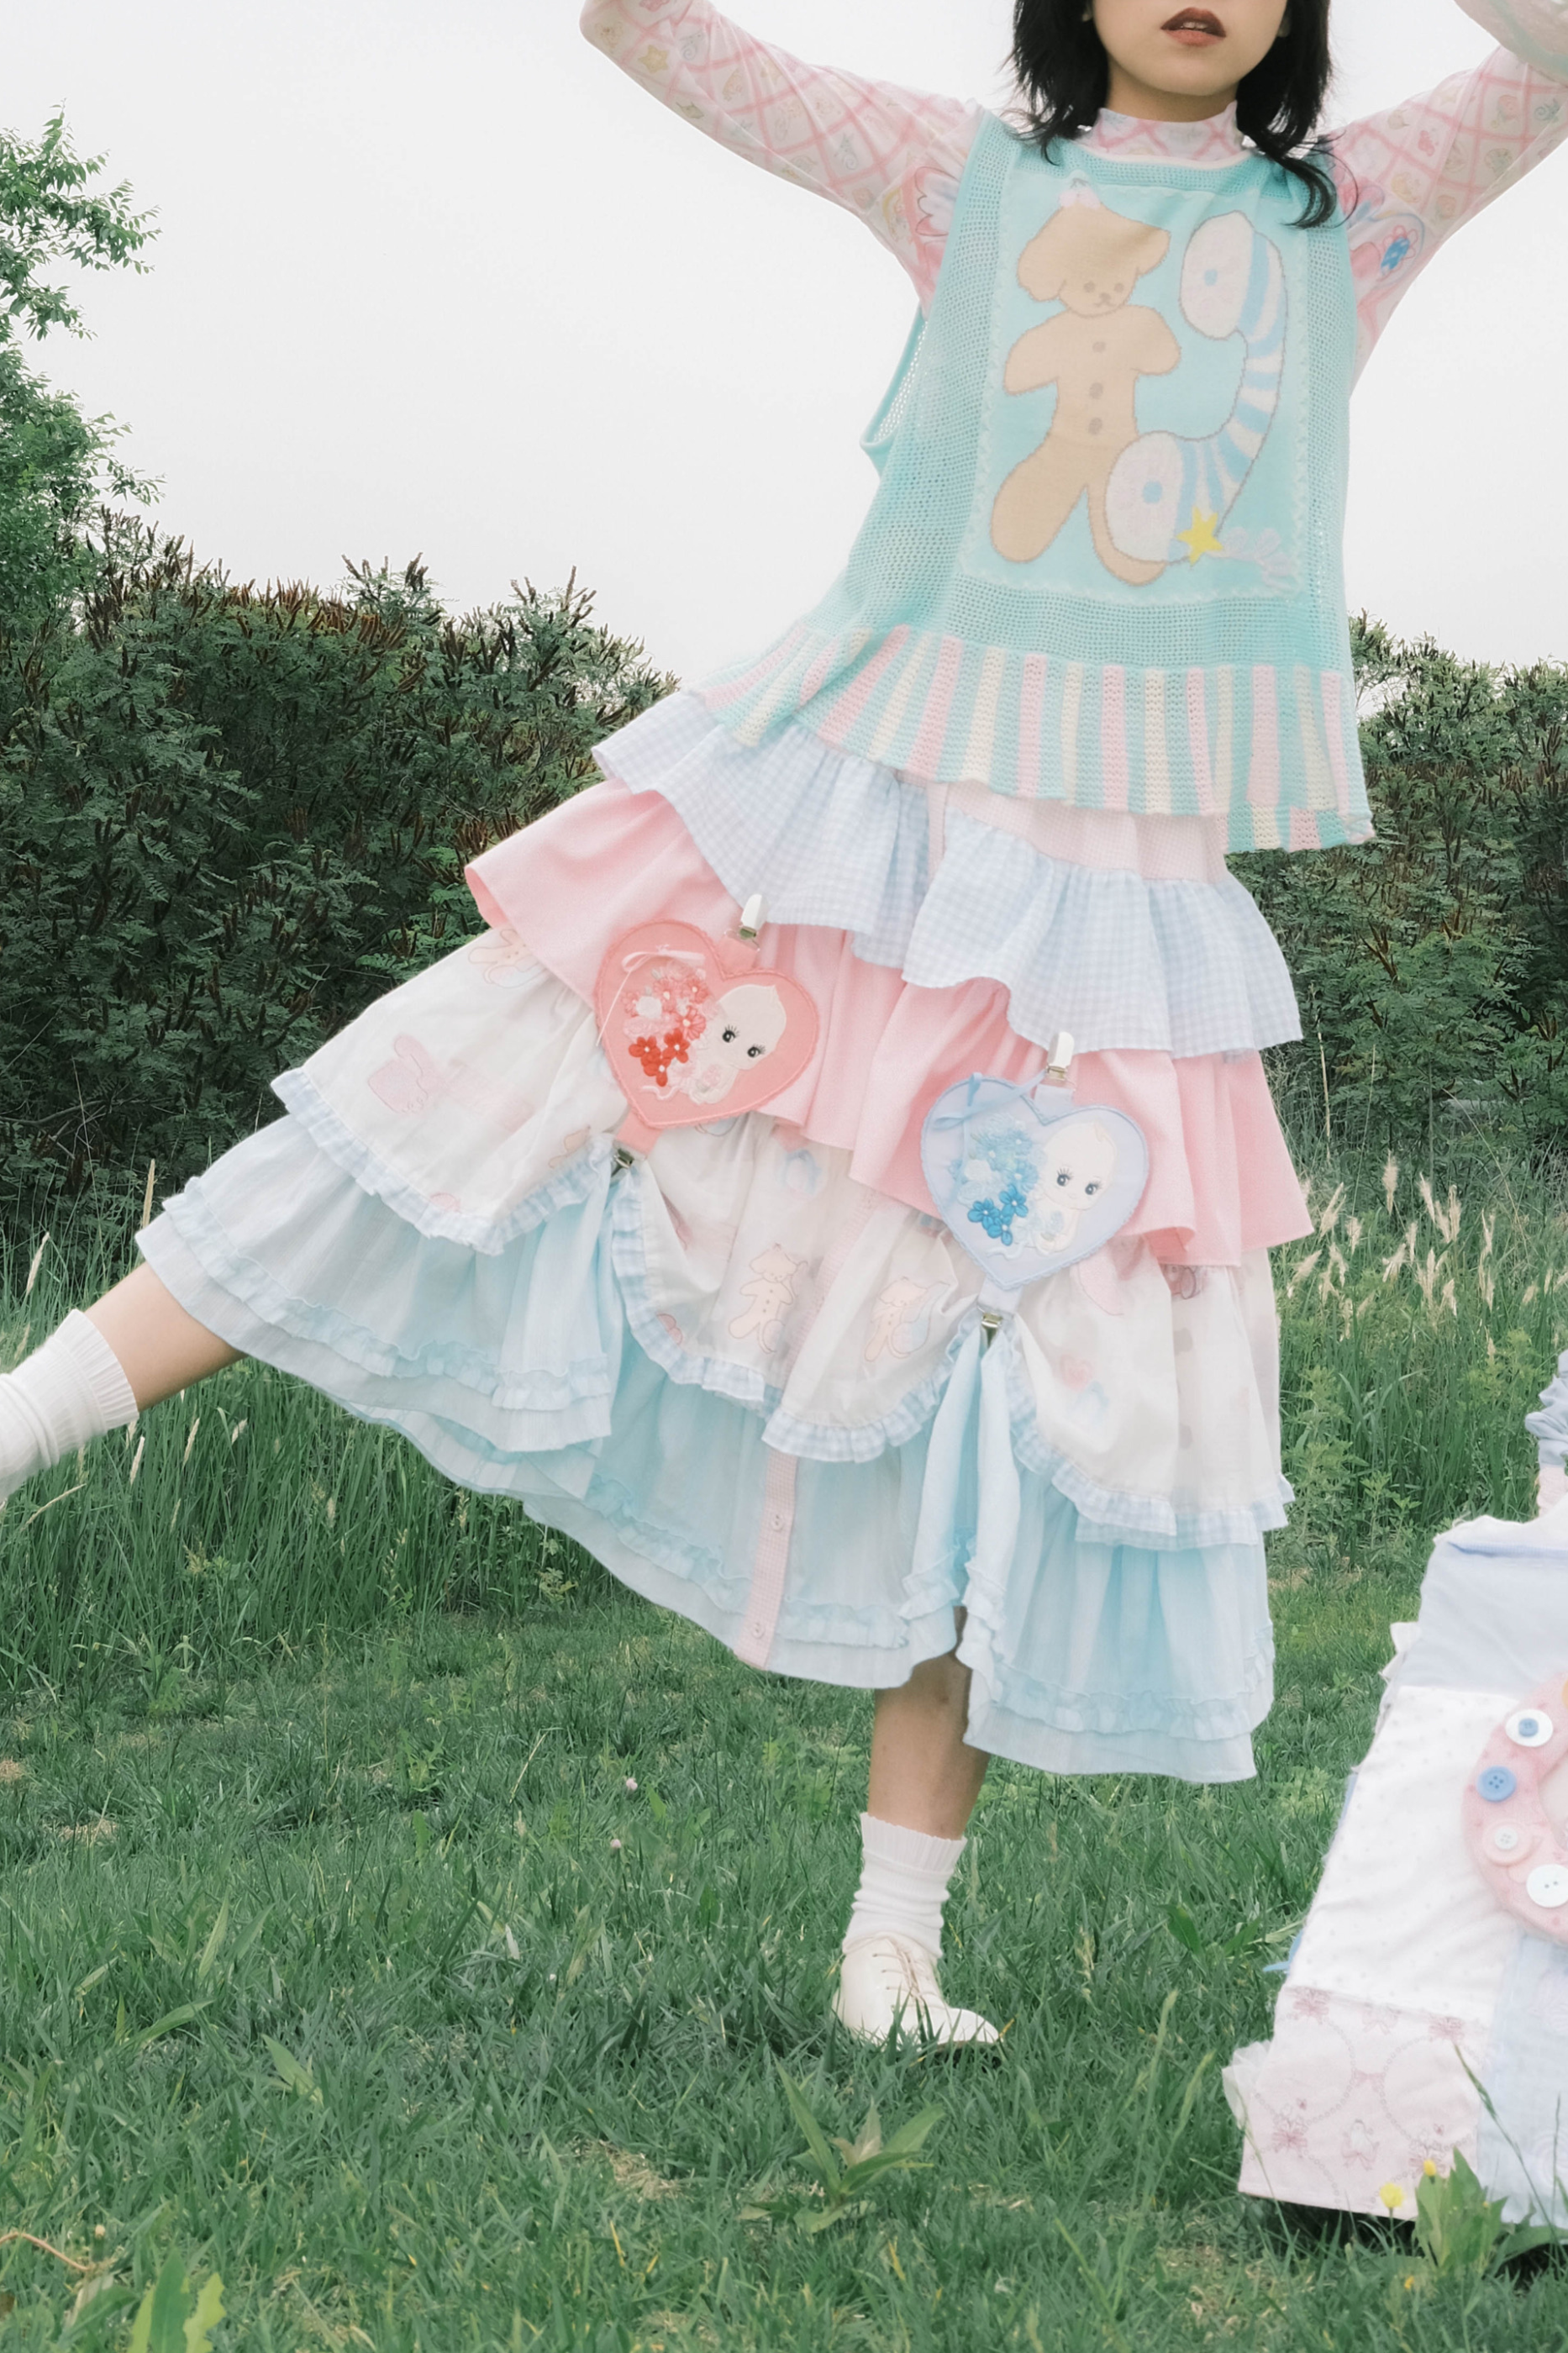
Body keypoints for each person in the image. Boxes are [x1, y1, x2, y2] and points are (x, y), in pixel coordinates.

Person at [4, 0, 1566, 2047]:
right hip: (849, 807)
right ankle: (26, 1416)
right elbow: (642, 29)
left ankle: (891, 1951)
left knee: (1029, 1385)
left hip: (1113, 904)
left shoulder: (1340, 213)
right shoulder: (970, 175)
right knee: (474, 1094)